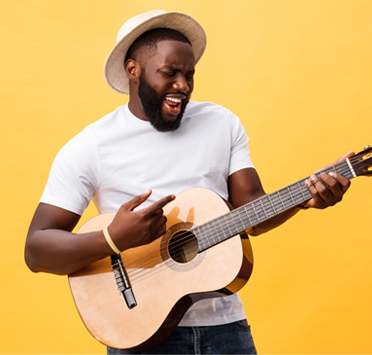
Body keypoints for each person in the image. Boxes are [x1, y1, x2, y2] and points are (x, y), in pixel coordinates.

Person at [24, 10, 352, 355]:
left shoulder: (221, 123)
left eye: (189, 75)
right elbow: (37, 249)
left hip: (226, 330)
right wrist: (112, 238)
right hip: (138, 332)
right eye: (170, 73)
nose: (182, 86)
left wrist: (305, 197)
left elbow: (250, 211)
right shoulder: (90, 146)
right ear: (133, 70)